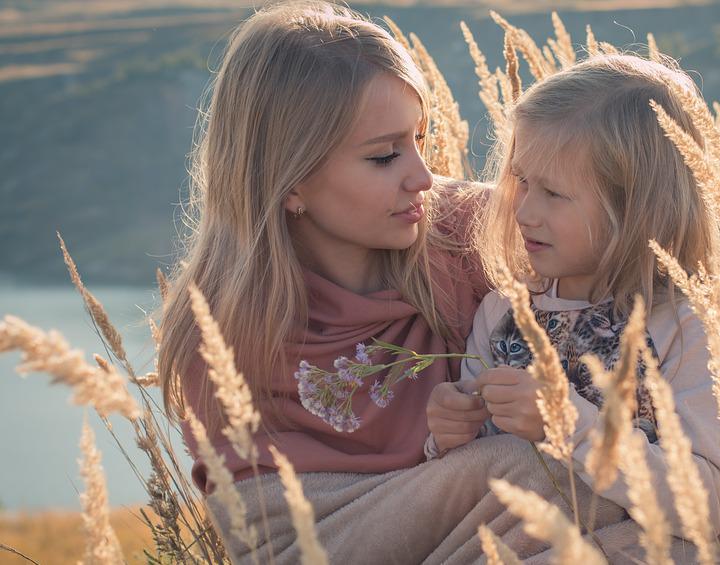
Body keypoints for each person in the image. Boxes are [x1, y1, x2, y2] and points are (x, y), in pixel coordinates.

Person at [157, 3, 645, 564]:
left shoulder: (471, 233)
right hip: (323, 536)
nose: (421, 176)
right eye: (385, 156)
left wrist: (710, 450)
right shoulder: (219, 328)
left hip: (497, 525)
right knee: (527, 476)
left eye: (420, 139)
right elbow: (266, 534)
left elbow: (640, 309)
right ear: (288, 181)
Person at [425, 54, 720, 563]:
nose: (524, 210)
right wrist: (445, 438)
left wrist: (564, 420)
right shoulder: (502, 315)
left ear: (636, 207)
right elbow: (478, 477)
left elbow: (706, 503)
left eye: (554, 193)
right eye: (521, 181)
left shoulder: (684, 329)